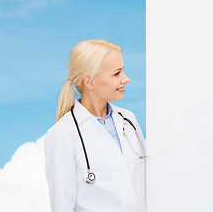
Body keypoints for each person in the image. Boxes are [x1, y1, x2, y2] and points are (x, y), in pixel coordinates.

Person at [44, 39, 147, 212]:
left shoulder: (129, 120)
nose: (126, 79)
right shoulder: (63, 134)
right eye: (117, 74)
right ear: (90, 82)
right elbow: (62, 205)